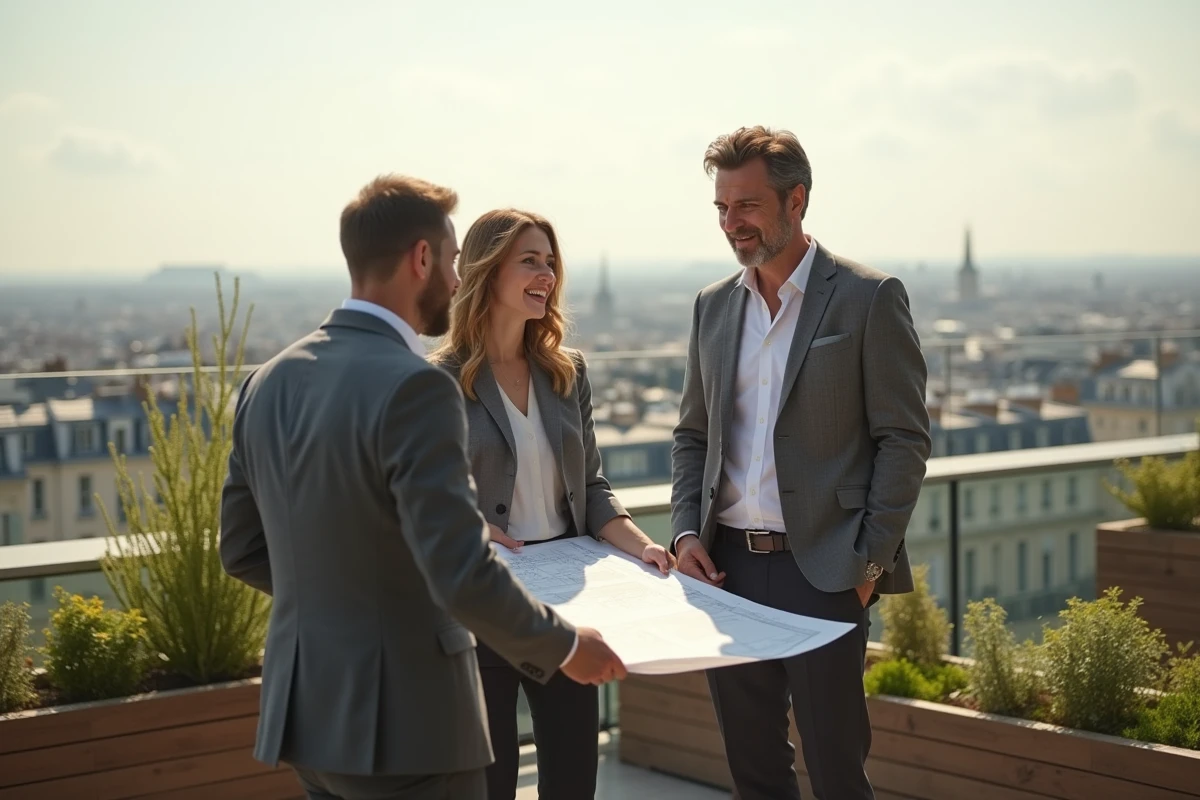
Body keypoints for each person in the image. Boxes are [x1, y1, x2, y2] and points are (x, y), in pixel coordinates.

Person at [219, 176, 626, 800]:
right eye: (451, 258)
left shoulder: (264, 382)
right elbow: (459, 571)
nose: (457, 279)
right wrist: (566, 645)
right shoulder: (418, 386)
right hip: (407, 722)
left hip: (305, 715)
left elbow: (243, 550)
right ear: (421, 259)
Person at [670, 127, 932, 800]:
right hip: (725, 570)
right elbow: (692, 435)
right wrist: (686, 534)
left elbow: (903, 440)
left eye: (747, 206)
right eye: (722, 208)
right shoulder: (713, 306)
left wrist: (866, 568)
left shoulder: (868, 298)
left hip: (823, 571)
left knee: (838, 773)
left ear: (797, 201)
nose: (732, 224)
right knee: (754, 774)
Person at [431, 208, 674, 800]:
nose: (547, 274)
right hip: (485, 601)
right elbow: (420, 502)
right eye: (530, 261)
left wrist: (643, 548)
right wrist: (472, 527)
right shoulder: (438, 380)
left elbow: (590, 487)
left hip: (570, 604)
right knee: (489, 782)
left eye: (551, 262)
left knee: (571, 778)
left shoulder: (568, 373)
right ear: (488, 271)